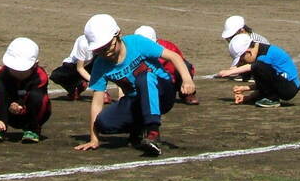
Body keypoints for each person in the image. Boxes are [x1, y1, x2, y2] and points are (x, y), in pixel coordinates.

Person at [74, 13, 196, 157]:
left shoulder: (137, 43)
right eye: (99, 50)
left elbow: (174, 56)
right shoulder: (100, 65)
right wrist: (94, 138)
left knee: (145, 77)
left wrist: (187, 80)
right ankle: (139, 129)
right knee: (103, 122)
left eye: (108, 47)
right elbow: (97, 101)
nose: (106, 53)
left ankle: (153, 132)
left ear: (118, 34)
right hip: (136, 99)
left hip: (162, 92)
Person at [0, 37, 52, 144]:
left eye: (22, 70)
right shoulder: (3, 73)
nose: (17, 73)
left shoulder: (40, 76)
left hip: (29, 113)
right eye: (13, 69)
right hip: (6, 113)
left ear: (35, 65)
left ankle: (33, 129)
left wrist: (21, 106)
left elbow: (39, 101)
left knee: (39, 97)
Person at [227, 34, 300, 108]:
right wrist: (247, 94)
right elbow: (266, 85)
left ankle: (272, 99)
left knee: (258, 67)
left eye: (242, 59)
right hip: (286, 85)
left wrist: (231, 72)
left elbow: (257, 69)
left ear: (248, 52)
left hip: (289, 88)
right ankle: (269, 98)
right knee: (257, 67)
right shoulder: (261, 52)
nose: (242, 62)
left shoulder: (264, 57)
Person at [134, 25, 199, 104]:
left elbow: (182, 64)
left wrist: (186, 80)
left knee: (186, 65)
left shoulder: (169, 47)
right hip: (150, 81)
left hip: (170, 80)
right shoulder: (132, 51)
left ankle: (188, 94)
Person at [216, 15, 270, 79]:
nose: (230, 39)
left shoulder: (253, 41)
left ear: (242, 30)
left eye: (232, 36)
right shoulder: (245, 39)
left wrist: (233, 71)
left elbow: (255, 64)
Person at [48, 34, 96, 101]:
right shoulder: (83, 42)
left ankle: (77, 85)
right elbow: (80, 68)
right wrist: (98, 86)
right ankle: (74, 88)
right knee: (55, 75)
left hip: (90, 65)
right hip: (76, 66)